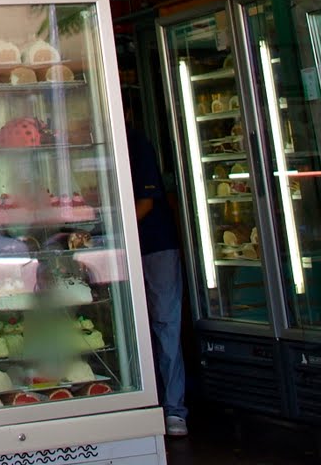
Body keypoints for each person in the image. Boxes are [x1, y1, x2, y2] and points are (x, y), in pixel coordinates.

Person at [127, 114, 189, 438]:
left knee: (165, 322)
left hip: (156, 245)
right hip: (129, 247)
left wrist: (114, 231)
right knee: (131, 326)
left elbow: (146, 203)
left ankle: (174, 409)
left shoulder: (136, 142)